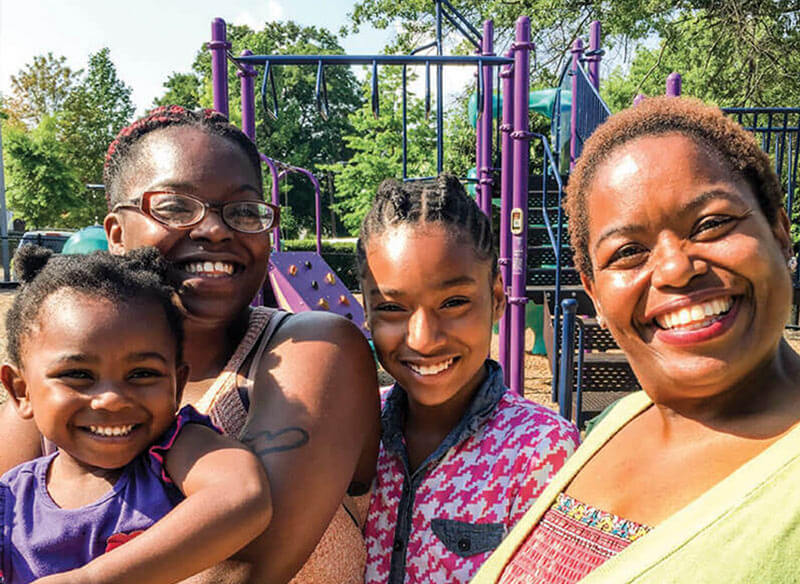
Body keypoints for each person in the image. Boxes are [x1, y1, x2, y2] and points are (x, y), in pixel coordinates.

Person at [0, 106, 381, 584]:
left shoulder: (312, 348)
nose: (216, 229)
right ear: (116, 234)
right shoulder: (53, 386)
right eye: (176, 207)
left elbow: (240, 568)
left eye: (243, 210)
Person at [472, 96, 800, 584]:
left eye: (711, 224)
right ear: (594, 293)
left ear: (779, 231)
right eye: (628, 252)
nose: (674, 269)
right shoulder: (622, 419)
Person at [0, 246, 272, 584]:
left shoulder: (177, 450)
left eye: (142, 374)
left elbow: (242, 497)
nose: (111, 400)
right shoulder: (9, 502)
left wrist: (89, 580)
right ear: (21, 390)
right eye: (79, 375)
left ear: (178, 384)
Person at [358, 176, 580, 584]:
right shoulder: (352, 429)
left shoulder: (542, 451)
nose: (423, 339)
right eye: (391, 307)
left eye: (454, 303)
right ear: (367, 311)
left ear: (496, 299)